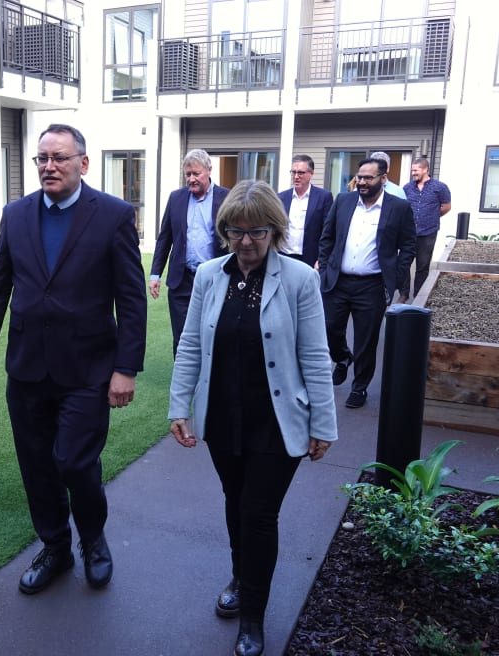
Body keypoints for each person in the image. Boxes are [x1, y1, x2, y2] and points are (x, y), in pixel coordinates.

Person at [0, 124, 147, 595]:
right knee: (37, 464)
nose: (49, 166)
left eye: (59, 158)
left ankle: (93, 540)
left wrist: (125, 368)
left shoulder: (113, 216)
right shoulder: (16, 215)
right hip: (27, 369)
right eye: (42, 158)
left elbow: (131, 299)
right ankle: (56, 548)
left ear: (83, 163)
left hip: (87, 369)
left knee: (74, 462)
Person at [167, 180, 338, 656]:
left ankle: (252, 619)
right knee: (234, 501)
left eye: (257, 232)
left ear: (275, 232)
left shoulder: (299, 279)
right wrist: (179, 405)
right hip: (223, 416)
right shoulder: (209, 275)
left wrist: (323, 424)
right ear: (224, 231)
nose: (245, 242)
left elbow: (315, 355)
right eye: (236, 232)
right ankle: (241, 578)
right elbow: (191, 345)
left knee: (259, 514)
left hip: (276, 420)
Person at [318, 157, 416, 409]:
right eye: (359, 177)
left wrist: (396, 274)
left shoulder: (399, 207)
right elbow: (327, 237)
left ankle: (359, 387)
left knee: (366, 340)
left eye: (368, 178)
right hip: (337, 281)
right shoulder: (343, 201)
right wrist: (325, 267)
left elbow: (408, 245)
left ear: (383, 179)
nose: (362, 182)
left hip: (372, 285)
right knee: (329, 329)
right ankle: (342, 357)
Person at [150, 149, 230, 356]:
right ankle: (182, 375)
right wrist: (155, 274)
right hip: (182, 280)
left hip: (215, 279)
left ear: (209, 170)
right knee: (182, 337)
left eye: (196, 173)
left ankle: (211, 373)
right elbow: (165, 237)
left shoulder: (227, 198)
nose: (191, 179)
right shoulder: (176, 198)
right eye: (188, 174)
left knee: (215, 334)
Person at [404, 157, 452, 299]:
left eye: (416, 170)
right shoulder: (407, 188)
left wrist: (432, 216)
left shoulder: (440, 187)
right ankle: (403, 293)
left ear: (425, 169)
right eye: (412, 170)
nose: (413, 173)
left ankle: (418, 295)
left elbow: (446, 206)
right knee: (404, 263)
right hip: (409, 232)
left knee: (423, 266)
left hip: (428, 232)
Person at [278, 154, 333, 267]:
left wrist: (321, 259)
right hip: (284, 256)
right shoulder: (281, 197)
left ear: (311, 174)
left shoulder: (323, 197)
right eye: (293, 172)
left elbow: (328, 231)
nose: (296, 176)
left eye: (300, 173)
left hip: (310, 258)